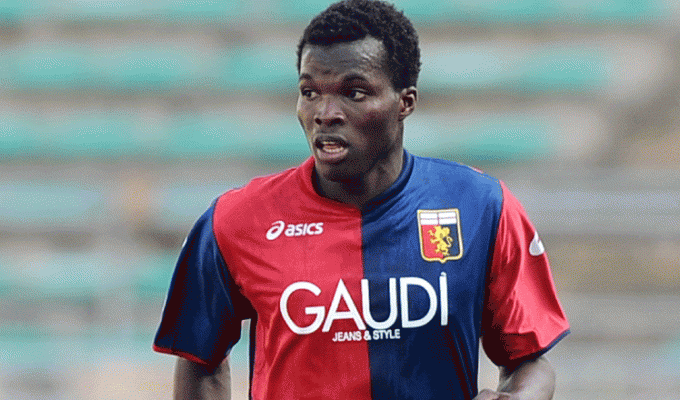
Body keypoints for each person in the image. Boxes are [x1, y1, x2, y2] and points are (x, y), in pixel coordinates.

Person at [153, 0, 570, 399]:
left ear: (405, 101)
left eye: (353, 93)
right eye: (310, 92)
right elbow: (199, 360)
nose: (325, 113)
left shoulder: (481, 206)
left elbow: (529, 361)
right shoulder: (235, 220)